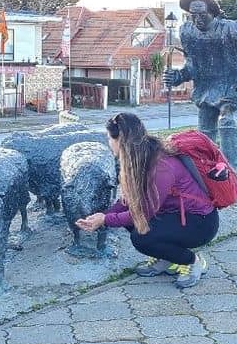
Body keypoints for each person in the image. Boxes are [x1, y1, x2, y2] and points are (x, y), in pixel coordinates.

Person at [76, 112, 217, 289]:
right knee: (132, 225)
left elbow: (141, 213)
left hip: (200, 223)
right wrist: (102, 216)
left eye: (109, 138)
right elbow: (128, 202)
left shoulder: (161, 166)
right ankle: (167, 259)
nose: (108, 143)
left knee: (142, 238)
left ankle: (193, 261)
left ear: (120, 139)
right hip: (175, 216)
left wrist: (104, 220)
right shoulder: (141, 157)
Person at [163, 0, 237, 168]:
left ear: (212, 12)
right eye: (193, 15)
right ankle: (206, 170)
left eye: (202, 14)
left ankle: (230, 172)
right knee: (204, 132)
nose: (197, 19)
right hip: (206, 87)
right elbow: (192, 64)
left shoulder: (233, 28)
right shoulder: (187, 31)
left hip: (233, 83)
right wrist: (178, 76)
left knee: (227, 121)